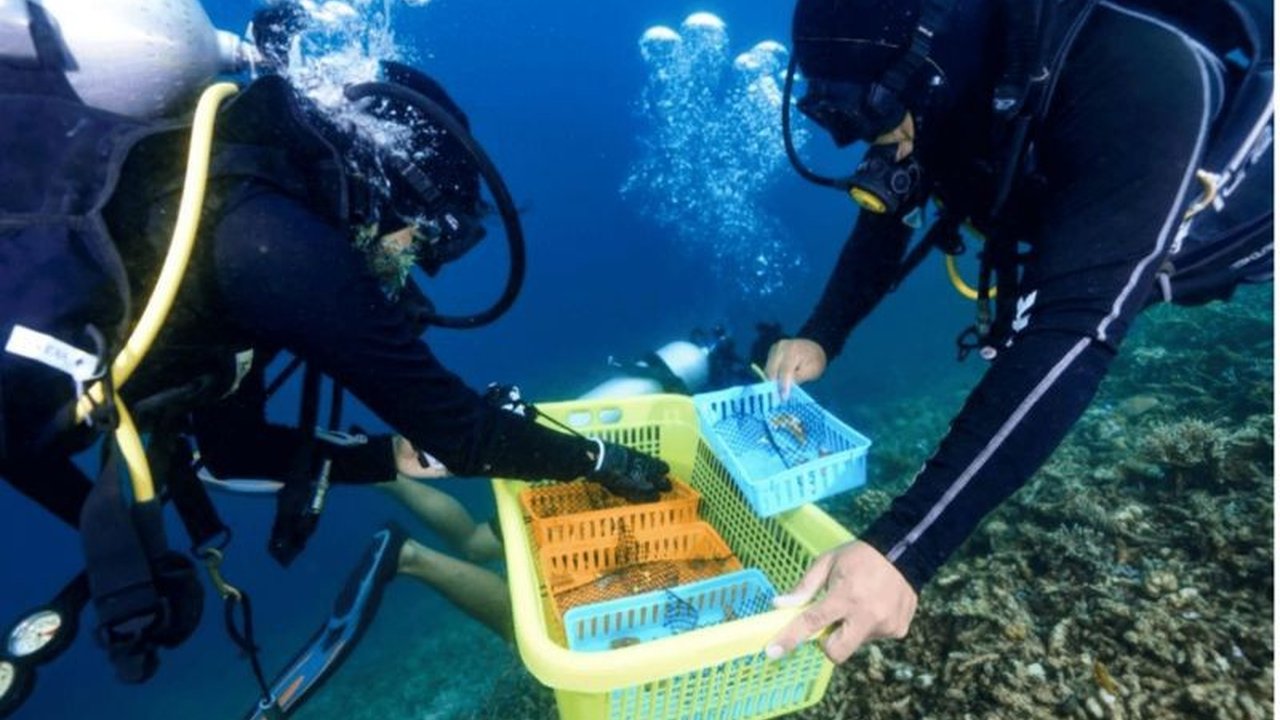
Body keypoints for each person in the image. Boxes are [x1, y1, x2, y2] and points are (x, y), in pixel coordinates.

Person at [0, 0, 672, 709]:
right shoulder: (272, 244)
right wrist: (601, 463)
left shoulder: (232, 206)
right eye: (420, 240)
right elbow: (465, 435)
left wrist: (384, 459)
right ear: (390, 188)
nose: (411, 266)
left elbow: (235, 450)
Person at [761, 0, 1273, 664]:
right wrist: (823, 333)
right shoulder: (958, 78)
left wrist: (902, 546)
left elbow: (1072, 332)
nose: (865, 140)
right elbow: (891, 209)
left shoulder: (1139, 70)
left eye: (875, 113)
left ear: (933, 67)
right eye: (836, 113)